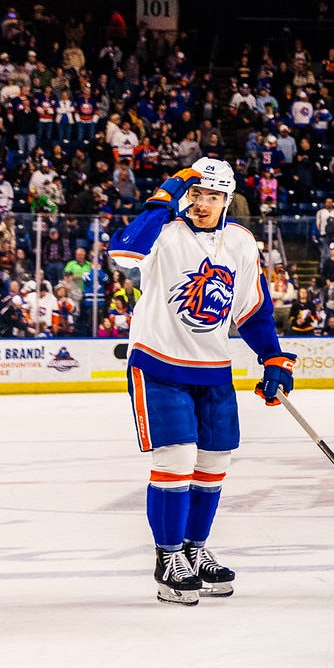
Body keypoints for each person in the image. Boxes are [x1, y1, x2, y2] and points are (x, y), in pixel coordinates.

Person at [107, 159, 294, 605]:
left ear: (227, 199)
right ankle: (168, 557)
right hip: (157, 363)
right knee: (176, 458)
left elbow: (252, 309)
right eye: (196, 194)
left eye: (213, 196)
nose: (203, 203)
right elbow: (124, 253)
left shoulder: (241, 242)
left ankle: (194, 550)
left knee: (214, 462)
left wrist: (272, 356)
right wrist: (165, 195)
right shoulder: (164, 233)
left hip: (213, 368)